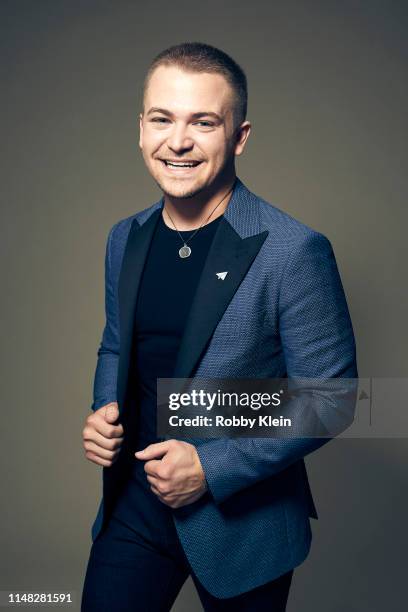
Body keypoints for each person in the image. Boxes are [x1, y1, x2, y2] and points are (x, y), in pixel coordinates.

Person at [81, 42, 357, 611]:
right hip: (132, 508)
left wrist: (211, 465)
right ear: (141, 128)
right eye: (162, 119)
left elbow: (334, 397)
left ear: (240, 136)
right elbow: (117, 345)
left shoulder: (294, 249)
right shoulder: (123, 237)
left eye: (202, 122)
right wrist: (105, 409)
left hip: (243, 526)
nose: (177, 141)